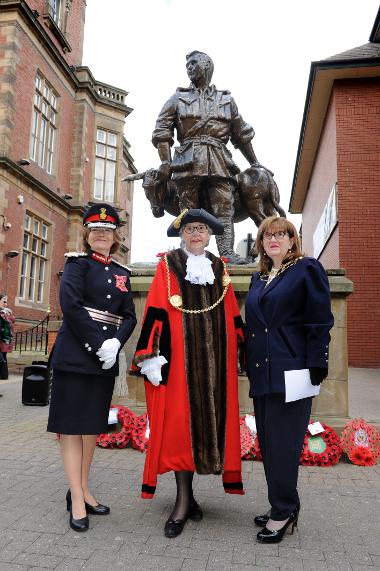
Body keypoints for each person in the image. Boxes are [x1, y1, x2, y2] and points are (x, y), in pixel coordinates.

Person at [131, 208, 245, 538]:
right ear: (182, 234)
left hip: (215, 364)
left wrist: (241, 348)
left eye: (202, 229)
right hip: (180, 362)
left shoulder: (219, 266)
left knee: (210, 425)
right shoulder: (169, 265)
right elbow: (154, 308)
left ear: (210, 235)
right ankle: (182, 501)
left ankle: (192, 497)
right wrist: (150, 355)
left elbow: (232, 311)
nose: (196, 234)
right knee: (182, 427)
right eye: (190, 229)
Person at [47, 203, 136, 532]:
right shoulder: (77, 265)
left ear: (115, 237)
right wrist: (99, 342)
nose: (101, 234)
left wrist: (116, 343)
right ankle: (77, 498)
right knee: (71, 428)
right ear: (87, 234)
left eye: (108, 230)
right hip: (76, 354)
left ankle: (82, 489)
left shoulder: (122, 273)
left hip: (105, 359)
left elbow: (130, 315)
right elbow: (70, 305)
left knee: (90, 428)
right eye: (96, 230)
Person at [245, 215, 334, 543]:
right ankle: (284, 505)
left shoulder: (306, 269)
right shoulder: (260, 278)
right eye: (269, 235)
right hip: (263, 372)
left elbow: (320, 319)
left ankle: (282, 514)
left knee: (283, 445)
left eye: (281, 234)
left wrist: (317, 363)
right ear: (262, 243)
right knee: (270, 444)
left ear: (292, 240)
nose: (275, 239)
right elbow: (255, 327)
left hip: (293, 372)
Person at [152, 50, 263, 264]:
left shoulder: (226, 100)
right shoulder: (177, 98)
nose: (189, 68)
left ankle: (227, 254)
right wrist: (165, 161)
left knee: (224, 206)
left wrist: (255, 163)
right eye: (187, 66)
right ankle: (189, 253)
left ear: (207, 65)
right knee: (189, 210)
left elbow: (242, 134)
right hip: (187, 160)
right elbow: (161, 131)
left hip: (219, 160)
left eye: (194, 63)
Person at [0, 293, 15, 382]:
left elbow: (9, 329)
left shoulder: (5, 314)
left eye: (6, 302)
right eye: (4, 301)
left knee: (3, 361)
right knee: (2, 361)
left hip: (4, 342)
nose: (6, 303)